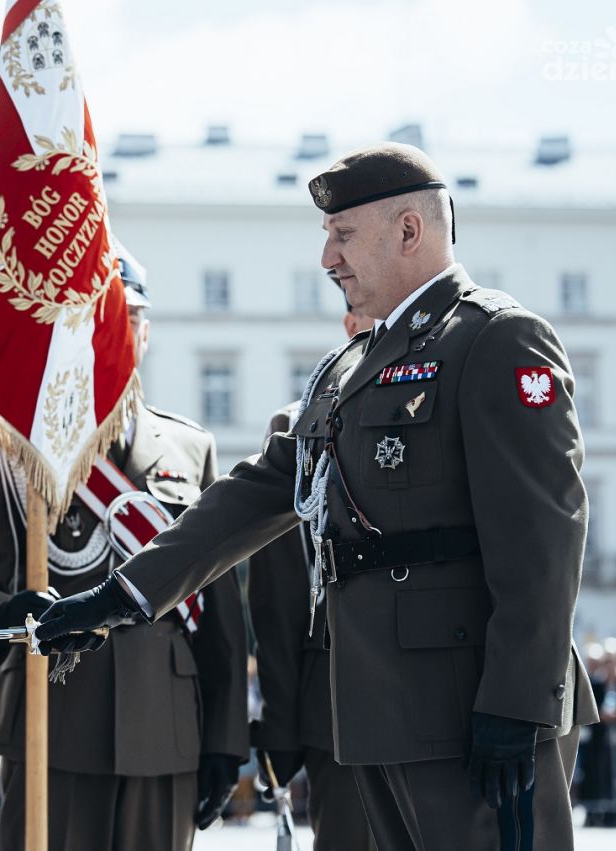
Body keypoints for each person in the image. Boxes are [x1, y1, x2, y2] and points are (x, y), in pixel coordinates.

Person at [36, 142, 600, 850]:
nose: (327, 259)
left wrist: (518, 701)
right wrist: (118, 597)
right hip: (377, 709)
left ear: (407, 230)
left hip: (474, 704)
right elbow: (255, 494)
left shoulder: (495, 339)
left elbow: (545, 539)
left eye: (342, 235)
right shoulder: (351, 368)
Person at [0, 245, 249, 850]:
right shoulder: (14, 443)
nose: (115, 332)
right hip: (53, 715)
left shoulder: (190, 447)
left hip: (166, 725)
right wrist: (7, 614)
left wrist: (224, 739)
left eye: (127, 318)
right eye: (97, 318)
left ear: (147, 331)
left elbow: (219, 616)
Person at [246, 274, 375, 851]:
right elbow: (277, 600)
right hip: (337, 707)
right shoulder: (297, 427)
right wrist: (280, 724)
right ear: (351, 327)